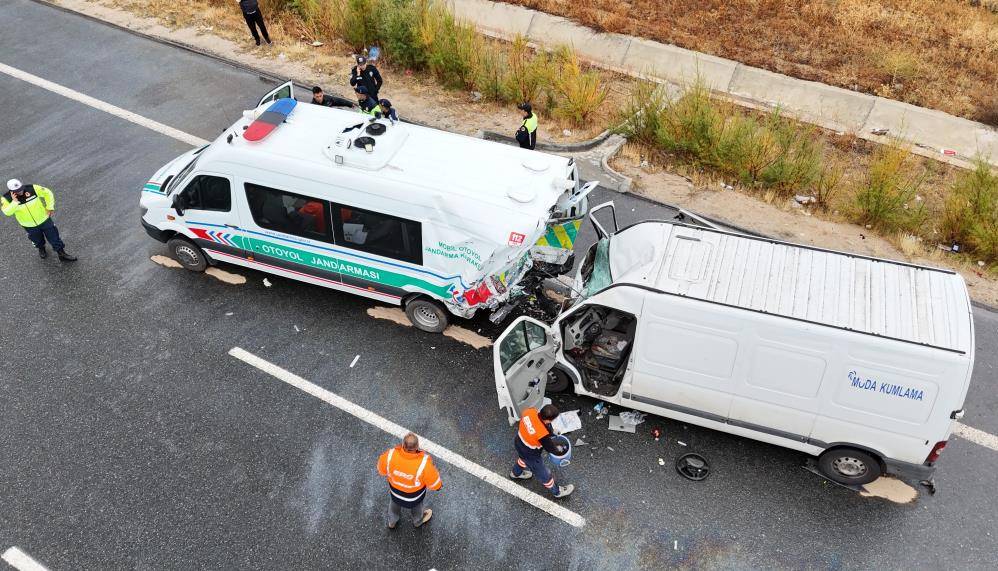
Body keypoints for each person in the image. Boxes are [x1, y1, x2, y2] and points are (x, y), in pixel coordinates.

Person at [377, 433, 442, 529]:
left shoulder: (390, 455)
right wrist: (439, 486)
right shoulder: (424, 464)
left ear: (403, 445)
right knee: (417, 508)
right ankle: (417, 522)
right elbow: (435, 483)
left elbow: (381, 470)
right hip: (414, 497)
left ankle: (392, 521)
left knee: (394, 505)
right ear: (417, 446)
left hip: (395, 493)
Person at [2, 179, 77, 262]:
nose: (20, 192)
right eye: (17, 191)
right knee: (37, 239)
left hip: (44, 219)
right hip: (28, 225)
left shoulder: (32, 188)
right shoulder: (5, 198)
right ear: (11, 191)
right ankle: (41, 248)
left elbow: (48, 193)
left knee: (54, 237)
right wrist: (15, 202)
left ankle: (61, 254)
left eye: (21, 189)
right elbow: (7, 212)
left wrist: (49, 207)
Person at [509, 404, 574, 498]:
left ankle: (515, 473)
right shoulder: (542, 434)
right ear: (549, 420)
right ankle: (557, 492)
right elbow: (551, 449)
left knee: (523, 458)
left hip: (519, 441)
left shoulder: (530, 411)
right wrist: (559, 450)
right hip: (530, 452)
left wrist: (551, 432)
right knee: (543, 473)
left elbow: (538, 423)